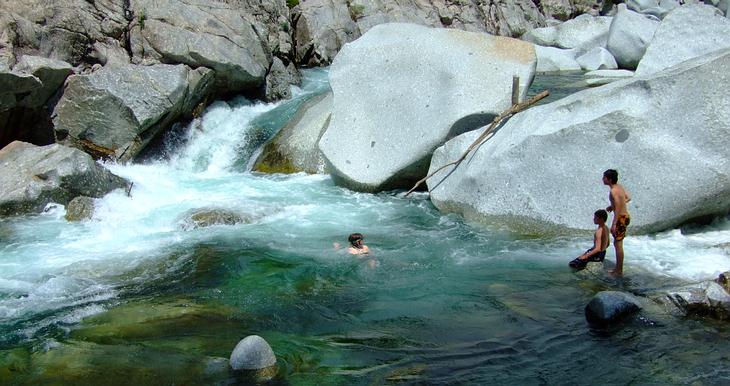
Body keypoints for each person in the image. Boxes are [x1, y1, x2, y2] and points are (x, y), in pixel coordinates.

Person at [603, 169, 631, 276]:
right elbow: (628, 198)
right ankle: (618, 269)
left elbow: (619, 206)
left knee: (618, 245)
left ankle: (619, 270)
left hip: (621, 218)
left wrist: (614, 223)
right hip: (625, 217)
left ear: (609, 179)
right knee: (617, 243)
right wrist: (613, 206)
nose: (602, 179)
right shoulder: (619, 187)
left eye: (604, 177)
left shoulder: (613, 191)